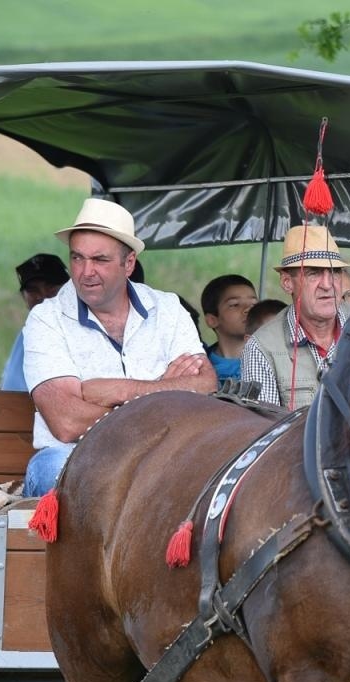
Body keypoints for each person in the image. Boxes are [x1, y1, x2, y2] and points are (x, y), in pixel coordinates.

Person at [21, 197, 214, 496]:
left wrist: (119, 391)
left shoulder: (167, 307)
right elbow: (67, 422)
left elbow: (205, 384)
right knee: (52, 467)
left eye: (100, 260)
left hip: (160, 457)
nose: (85, 272)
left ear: (129, 263)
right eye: (77, 258)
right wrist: (163, 390)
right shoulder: (46, 319)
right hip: (79, 455)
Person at [238, 225, 350, 409]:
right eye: (313, 273)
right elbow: (266, 432)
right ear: (287, 282)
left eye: (334, 272)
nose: (327, 284)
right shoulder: (261, 348)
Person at [0, 253, 68, 391]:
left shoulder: (75, 331)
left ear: (69, 289)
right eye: (33, 290)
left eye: (51, 288)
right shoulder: (26, 331)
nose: (43, 296)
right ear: (23, 297)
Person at [199, 273, 256, 380]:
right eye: (235, 305)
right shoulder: (199, 366)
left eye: (253, 304)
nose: (248, 309)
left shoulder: (270, 361)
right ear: (212, 320)